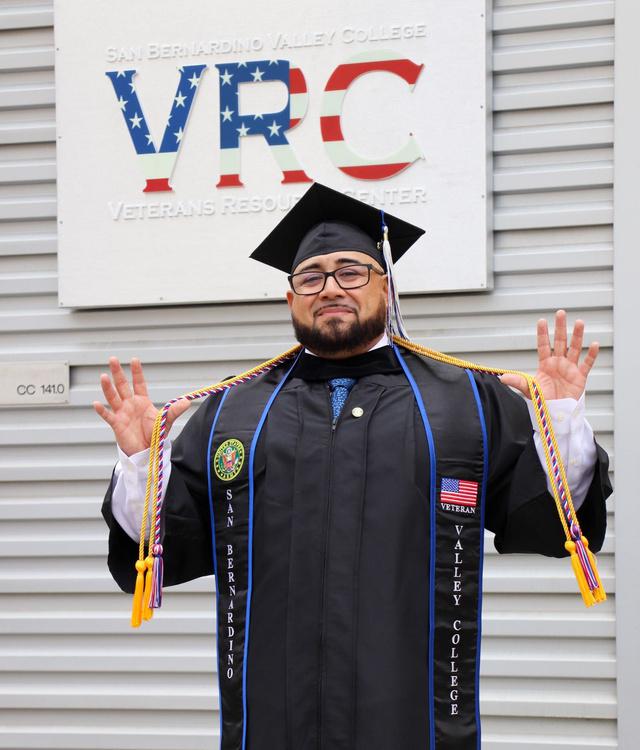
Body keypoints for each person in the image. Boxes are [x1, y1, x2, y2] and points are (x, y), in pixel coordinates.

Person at [96, 183, 611, 750]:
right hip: (274, 716)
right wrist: (144, 459)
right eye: (311, 277)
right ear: (290, 299)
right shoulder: (233, 412)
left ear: (386, 287)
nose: (331, 288)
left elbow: (547, 517)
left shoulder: (463, 398)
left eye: (351, 271)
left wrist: (560, 421)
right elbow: (163, 541)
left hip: (413, 715)